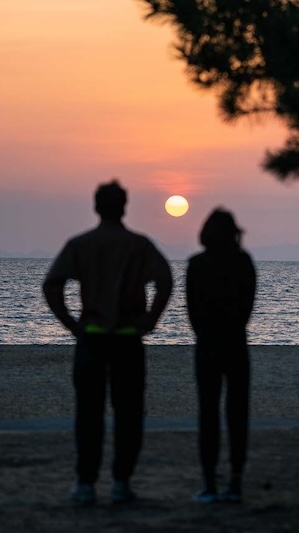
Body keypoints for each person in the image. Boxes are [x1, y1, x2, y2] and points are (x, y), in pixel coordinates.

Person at [43, 180, 172, 507]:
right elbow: (165, 280)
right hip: (128, 341)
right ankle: (121, 482)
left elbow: (52, 285)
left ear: (96, 207)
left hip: (93, 339)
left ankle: (86, 484)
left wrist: (71, 324)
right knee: (129, 413)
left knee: (89, 413)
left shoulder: (81, 244)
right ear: (124, 207)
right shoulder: (139, 245)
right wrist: (151, 320)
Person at [186, 208, 256, 503]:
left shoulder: (197, 264)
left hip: (207, 345)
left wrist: (205, 331)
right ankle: (236, 480)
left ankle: (209, 482)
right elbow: (247, 307)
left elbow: (192, 310)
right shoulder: (243, 263)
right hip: (236, 343)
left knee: (209, 415)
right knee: (237, 414)